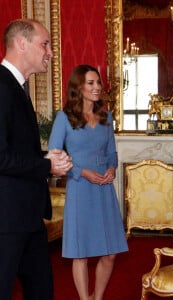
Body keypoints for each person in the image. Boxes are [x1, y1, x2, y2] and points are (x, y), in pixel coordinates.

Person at [0, 19, 73, 299]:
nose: (50, 52)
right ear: (21, 43)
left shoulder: (17, 87)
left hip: (27, 215)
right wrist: (46, 165)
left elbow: (15, 150)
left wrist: (45, 157)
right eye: (45, 44)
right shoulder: (2, 87)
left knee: (42, 290)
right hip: (7, 219)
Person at [48, 64, 128, 300]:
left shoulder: (106, 116)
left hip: (104, 189)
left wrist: (112, 168)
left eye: (98, 83)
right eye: (91, 83)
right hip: (80, 188)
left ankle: (97, 296)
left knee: (111, 252)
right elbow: (54, 156)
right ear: (78, 87)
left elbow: (112, 153)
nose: (97, 88)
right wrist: (82, 173)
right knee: (80, 253)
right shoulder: (64, 118)